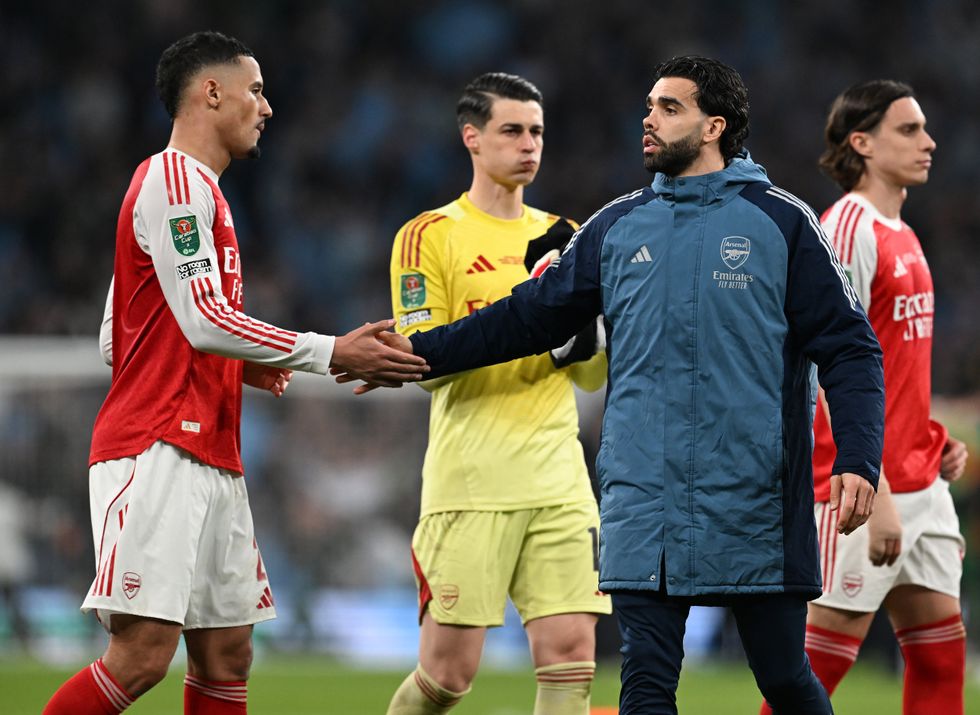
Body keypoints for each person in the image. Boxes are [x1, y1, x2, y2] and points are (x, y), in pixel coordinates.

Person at [343, 56, 886, 715]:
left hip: (755, 499)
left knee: (781, 676)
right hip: (644, 502)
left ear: (714, 126)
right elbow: (521, 318)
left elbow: (851, 347)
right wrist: (413, 353)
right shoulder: (616, 227)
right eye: (649, 106)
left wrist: (860, 456)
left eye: (668, 108)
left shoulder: (782, 223)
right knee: (646, 684)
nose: (648, 119)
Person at [43, 31, 427, 715]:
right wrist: (330, 351)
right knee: (141, 657)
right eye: (255, 90)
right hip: (156, 444)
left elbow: (117, 335)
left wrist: (240, 362)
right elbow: (201, 317)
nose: (267, 106)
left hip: (211, 451)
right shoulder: (173, 181)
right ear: (210, 92)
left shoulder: (202, 194)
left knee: (228, 655)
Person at [383, 72, 610, 715]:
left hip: (559, 479)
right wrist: (527, 322)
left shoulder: (568, 237)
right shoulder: (429, 235)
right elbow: (423, 361)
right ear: (472, 138)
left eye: (537, 131)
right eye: (512, 130)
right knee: (448, 677)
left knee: (571, 656)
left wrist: (581, 344)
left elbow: (590, 376)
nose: (529, 145)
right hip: (472, 483)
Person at [760, 80, 969, 715]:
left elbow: (894, 361)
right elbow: (826, 365)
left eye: (926, 129)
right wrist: (870, 485)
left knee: (940, 657)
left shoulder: (901, 229)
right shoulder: (846, 228)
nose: (928, 142)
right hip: (860, 487)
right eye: (909, 130)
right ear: (862, 142)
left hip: (920, 479)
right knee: (818, 669)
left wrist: (932, 438)